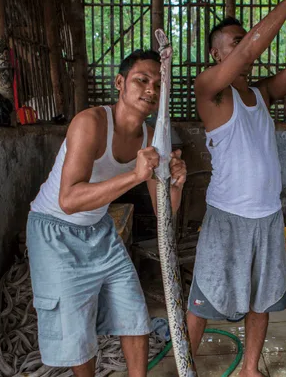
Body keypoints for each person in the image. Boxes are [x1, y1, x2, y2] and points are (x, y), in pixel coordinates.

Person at [186, 0, 286, 377]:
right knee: (203, 298)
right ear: (216, 54)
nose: (245, 42)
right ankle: (185, 366)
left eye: (243, 38)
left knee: (261, 300)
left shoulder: (260, 94)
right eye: (234, 41)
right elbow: (253, 47)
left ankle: (249, 368)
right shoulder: (209, 89)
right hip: (227, 216)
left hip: (267, 216)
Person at [26, 50, 187, 377]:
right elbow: (69, 199)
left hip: (98, 228)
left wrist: (176, 184)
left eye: (158, 84)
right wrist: (134, 176)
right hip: (55, 231)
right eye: (142, 80)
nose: (151, 90)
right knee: (76, 333)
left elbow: (164, 212)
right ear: (120, 83)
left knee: (135, 317)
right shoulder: (91, 123)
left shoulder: (151, 139)